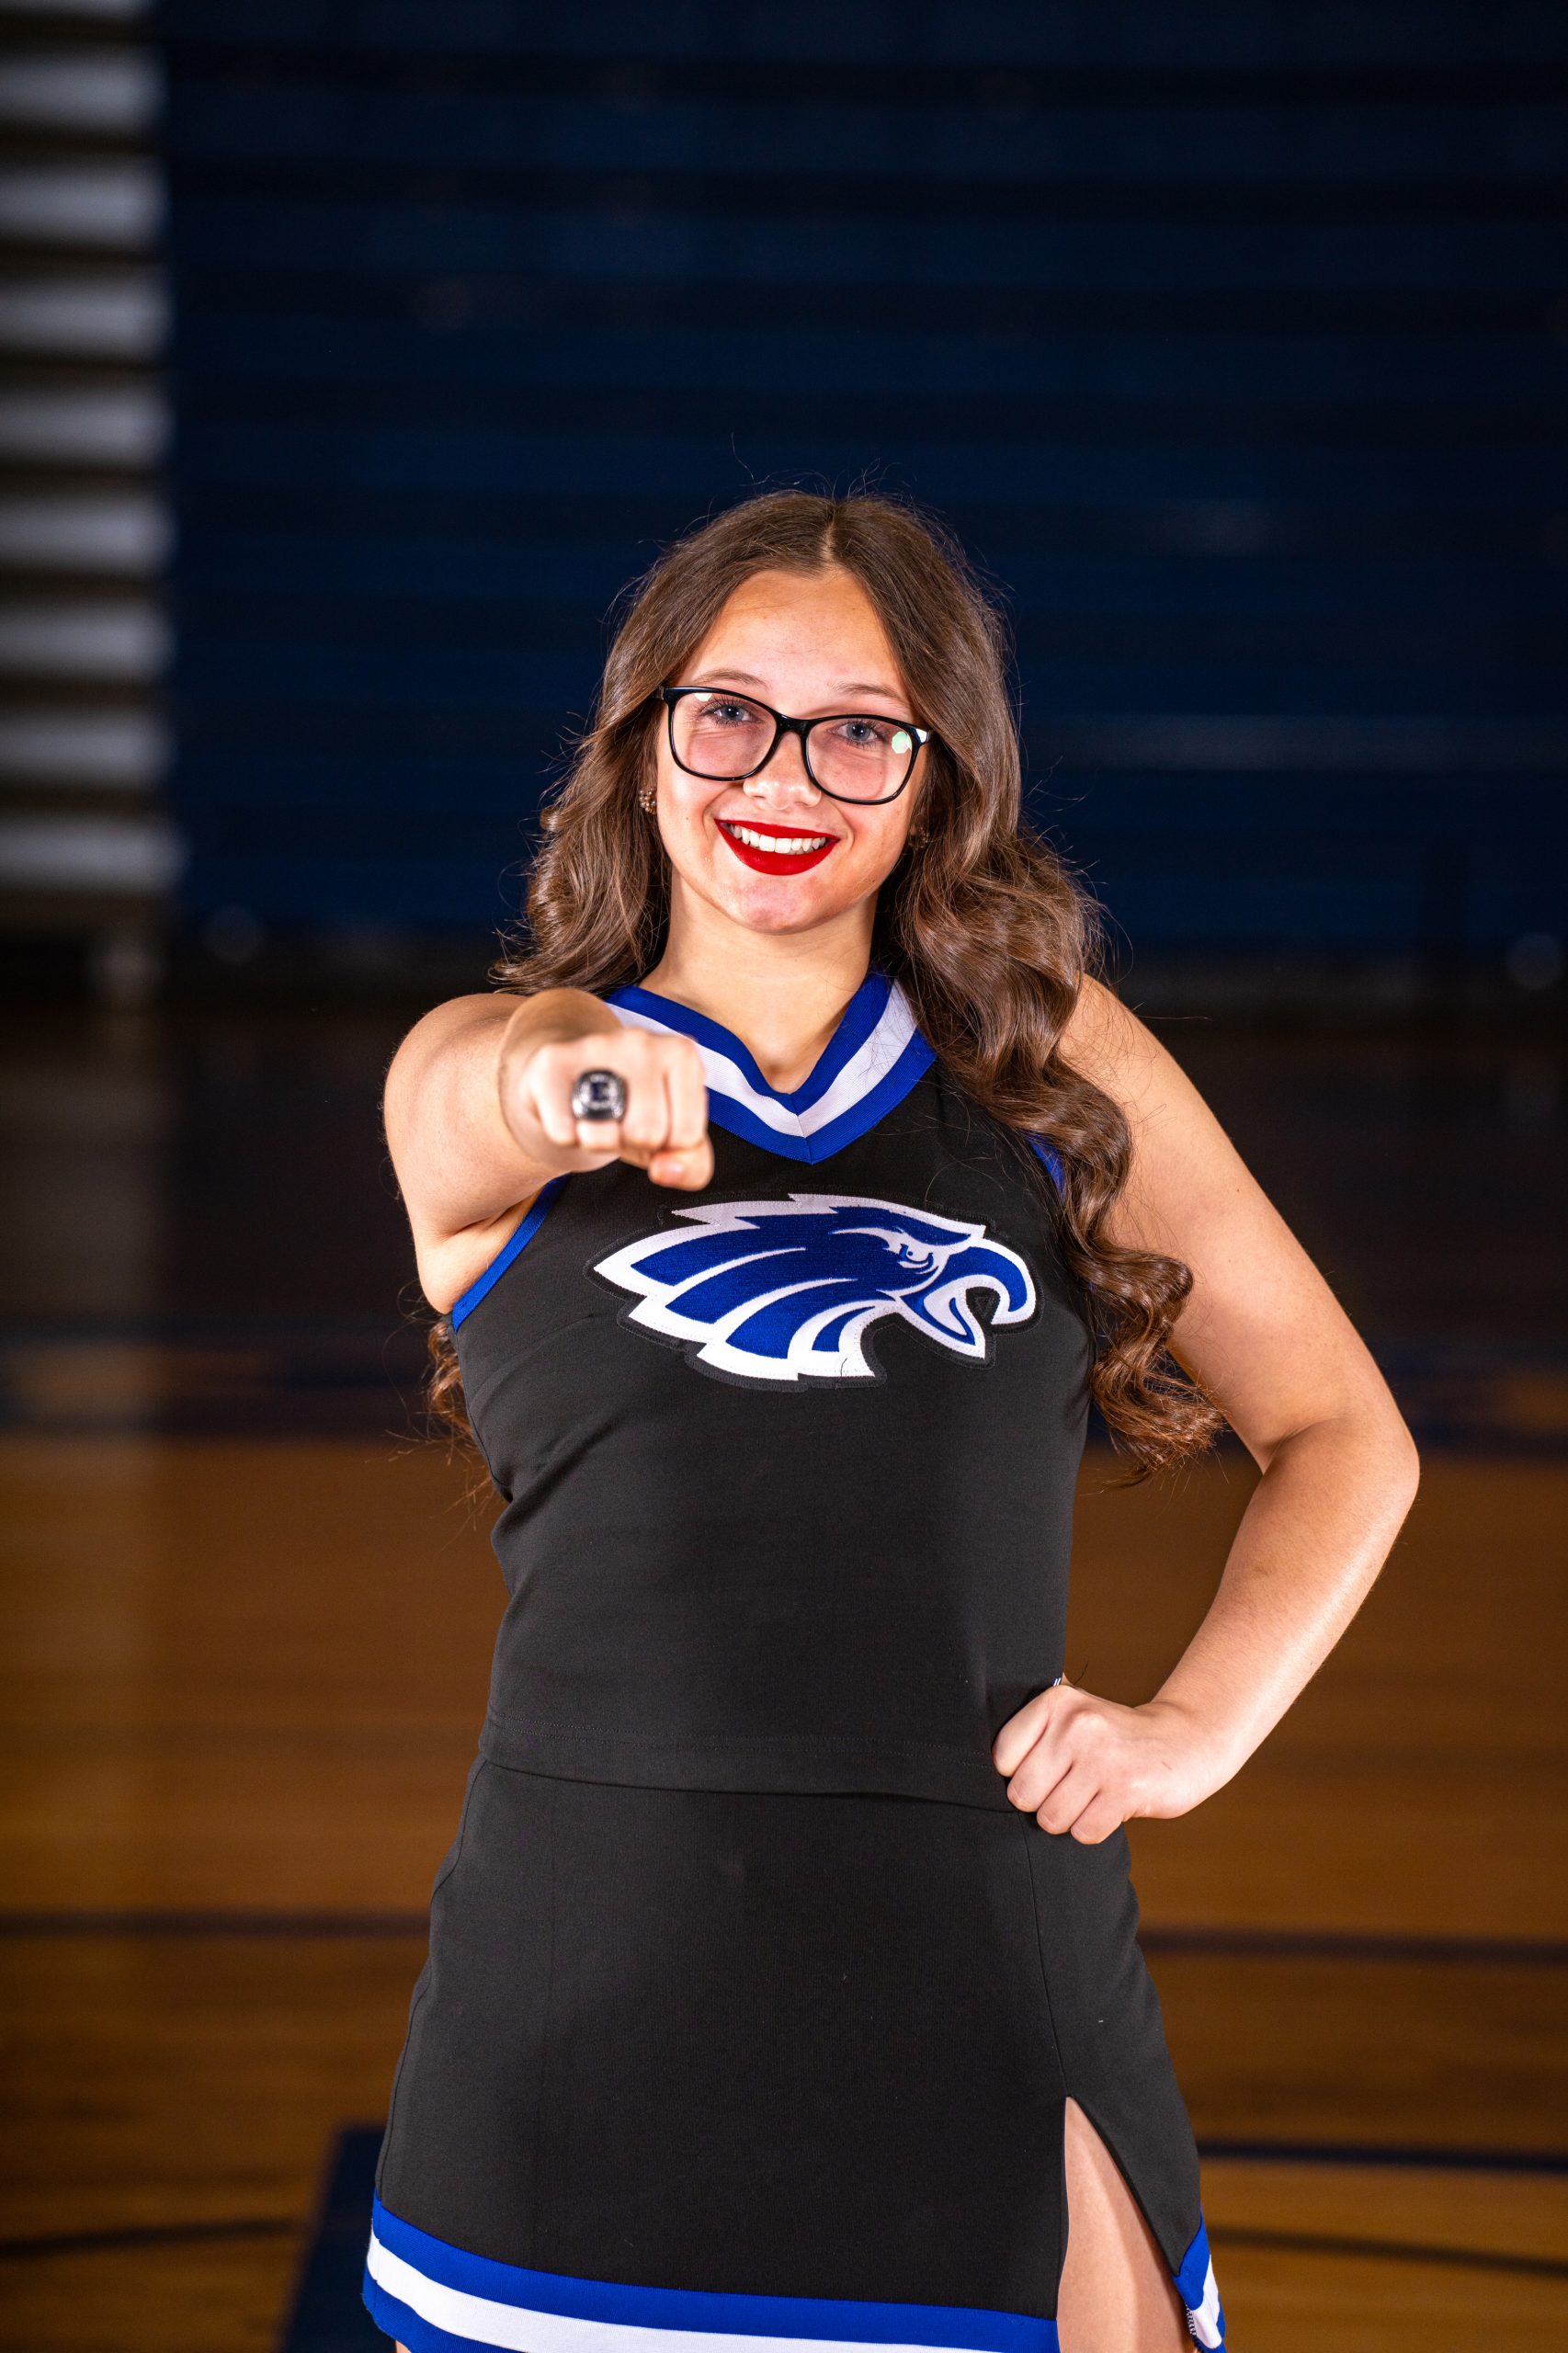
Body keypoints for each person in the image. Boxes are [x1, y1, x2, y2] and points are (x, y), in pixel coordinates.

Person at [362, 489, 1419, 2353]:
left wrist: (1193, 1729)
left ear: (940, 778)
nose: (786, 775)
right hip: (582, 2005)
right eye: (729, 714)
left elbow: (1341, 1427)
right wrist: (578, 1069)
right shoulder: (495, 1073)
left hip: (991, 1981)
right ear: (641, 742)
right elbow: (476, 1082)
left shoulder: (1046, 1060)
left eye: (860, 730)